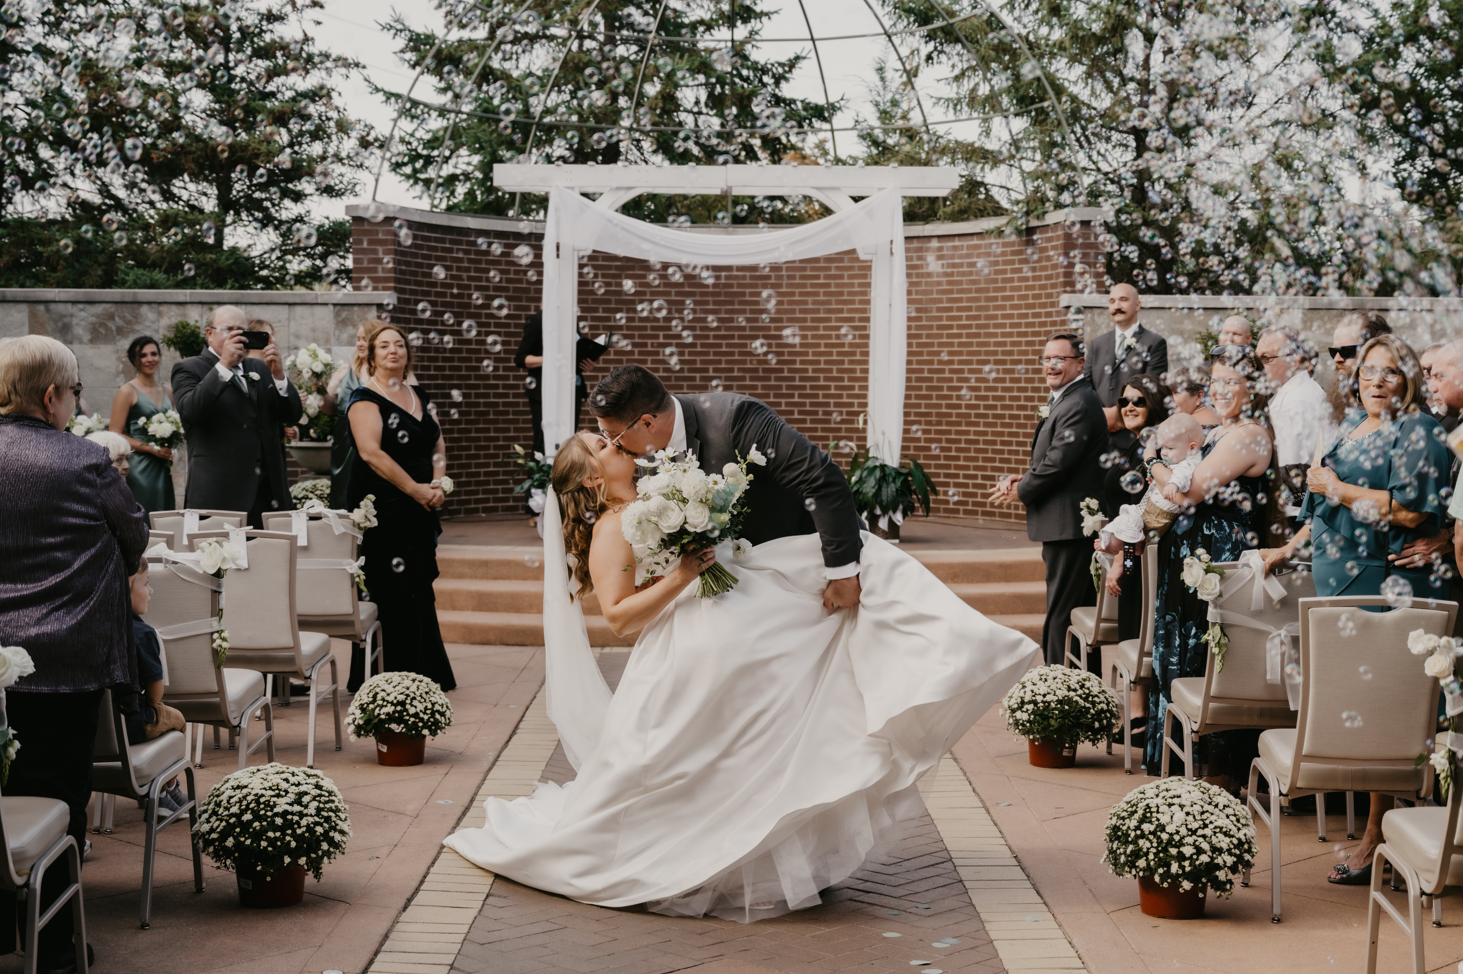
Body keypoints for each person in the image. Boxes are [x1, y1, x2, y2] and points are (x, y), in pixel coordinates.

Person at [442, 429, 1041, 921]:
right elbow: (619, 619)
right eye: (600, 446)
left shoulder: (651, 499)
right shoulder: (611, 527)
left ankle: (933, 651)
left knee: (756, 733)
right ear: (593, 480)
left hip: (717, 620)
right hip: (681, 647)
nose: (613, 442)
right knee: (697, 757)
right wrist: (683, 575)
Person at [1263, 334, 1451, 887]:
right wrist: (1289, 547)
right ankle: (1385, 828)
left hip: (1383, 585)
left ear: (1408, 379)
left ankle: (1376, 838)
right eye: (1368, 370)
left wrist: (1339, 487)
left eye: (1390, 371)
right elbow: (1319, 504)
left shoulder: (1417, 430)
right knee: (1365, 711)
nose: (1376, 381)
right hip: (1340, 587)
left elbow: (1410, 513)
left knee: (1383, 711)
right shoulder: (1351, 425)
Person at [0, 334, 149, 972]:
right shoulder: (85, 460)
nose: (74, 404)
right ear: (51, 396)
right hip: (64, 662)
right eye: (75, 392)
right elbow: (135, 534)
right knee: (60, 801)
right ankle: (55, 948)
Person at [588, 364, 865, 610]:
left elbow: (821, 477)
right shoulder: (644, 455)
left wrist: (843, 573)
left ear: (648, 422)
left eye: (613, 435)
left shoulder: (737, 419)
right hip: (749, 591)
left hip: (813, 561)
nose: (614, 445)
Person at [1142, 346, 1283, 779]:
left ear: (1253, 387)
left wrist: (1153, 462)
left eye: (1231, 381)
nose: (1219, 390)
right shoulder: (1219, 432)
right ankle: (1180, 767)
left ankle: (1213, 775)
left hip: (1219, 567)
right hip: (1192, 562)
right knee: (1181, 655)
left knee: (1206, 657)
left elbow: (1190, 493)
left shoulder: (1249, 435)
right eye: (1215, 381)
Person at [346, 321, 456, 692]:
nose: (393, 350)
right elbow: (371, 453)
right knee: (391, 587)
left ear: (408, 354)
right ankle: (389, 676)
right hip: (385, 507)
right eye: (384, 345)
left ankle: (425, 668)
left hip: (421, 504)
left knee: (418, 585)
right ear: (371, 356)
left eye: (399, 344)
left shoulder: (418, 395)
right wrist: (415, 490)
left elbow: (437, 445)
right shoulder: (365, 398)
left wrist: (438, 483)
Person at [991, 334, 1109, 665]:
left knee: (1063, 615)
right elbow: (1056, 460)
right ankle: (1081, 687)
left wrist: (1022, 490)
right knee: (1073, 614)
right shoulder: (1066, 398)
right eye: (1046, 359)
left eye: (1060, 359)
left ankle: (1058, 686)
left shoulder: (1078, 403)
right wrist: (1024, 477)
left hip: (1069, 526)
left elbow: (1058, 462)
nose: (1051, 365)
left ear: (1080, 364)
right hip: (1066, 524)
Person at [172, 306, 303, 527]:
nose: (236, 335)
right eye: (228, 329)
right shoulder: (188, 368)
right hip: (219, 495)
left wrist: (279, 376)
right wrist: (224, 365)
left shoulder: (260, 368)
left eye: (241, 330)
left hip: (267, 495)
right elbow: (190, 411)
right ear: (209, 334)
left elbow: (292, 414)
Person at [1097, 373, 1170, 649]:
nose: (1129, 407)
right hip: (1131, 554)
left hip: (1138, 558)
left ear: (1154, 403)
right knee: (1131, 635)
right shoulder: (1136, 446)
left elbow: (1141, 515)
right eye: (1124, 401)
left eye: (1138, 401)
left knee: (1136, 637)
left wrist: (1120, 564)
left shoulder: (1155, 451)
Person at [122, 562, 187, 811]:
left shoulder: (90, 629)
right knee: (177, 719)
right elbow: (154, 696)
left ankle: (166, 790)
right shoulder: (143, 634)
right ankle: (164, 791)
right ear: (127, 586)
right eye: (146, 583)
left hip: (96, 731)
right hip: (133, 724)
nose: (151, 591)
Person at [1257, 326, 1335, 511]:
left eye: (1266, 358)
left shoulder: (1292, 404)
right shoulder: (1305, 390)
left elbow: (1290, 473)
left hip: (1295, 514)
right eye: (1256, 359)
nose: (1257, 366)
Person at [1084, 283, 1169, 433]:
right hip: (1099, 431)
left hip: (1133, 433)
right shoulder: (1097, 344)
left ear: (1137, 305)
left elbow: (1152, 390)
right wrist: (1098, 414)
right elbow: (1086, 386)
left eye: (1123, 300)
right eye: (1112, 301)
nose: (1117, 306)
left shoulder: (1154, 342)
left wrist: (1116, 414)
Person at [107, 335, 176, 513]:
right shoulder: (127, 391)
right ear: (135, 360)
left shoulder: (168, 392)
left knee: (164, 514)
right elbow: (114, 434)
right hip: (139, 468)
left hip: (162, 467)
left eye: (154, 354)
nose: (150, 359)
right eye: (143, 355)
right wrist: (152, 448)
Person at [514, 310, 597, 457]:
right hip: (545, 393)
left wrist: (586, 362)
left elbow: (574, 356)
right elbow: (520, 358)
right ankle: (540, 472)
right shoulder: (538, 320)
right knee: (542, 444)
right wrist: (553, 359)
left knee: (568, 443)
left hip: (572, 391)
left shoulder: (571, 322)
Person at [325, 321, 372, 508]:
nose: (359, 343)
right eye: (358, 339)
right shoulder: (344, 371)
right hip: (345, 443)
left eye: (365, 339)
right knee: (344, 493)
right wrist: (319, 390)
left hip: (375, 439)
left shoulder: (387, 375)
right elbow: (330, 408)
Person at [1325, 310, 1391, 421]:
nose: (1337, 359)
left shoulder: (1393, 407)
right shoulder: (1334, 400)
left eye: (1347, 351)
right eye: (1333, 351)